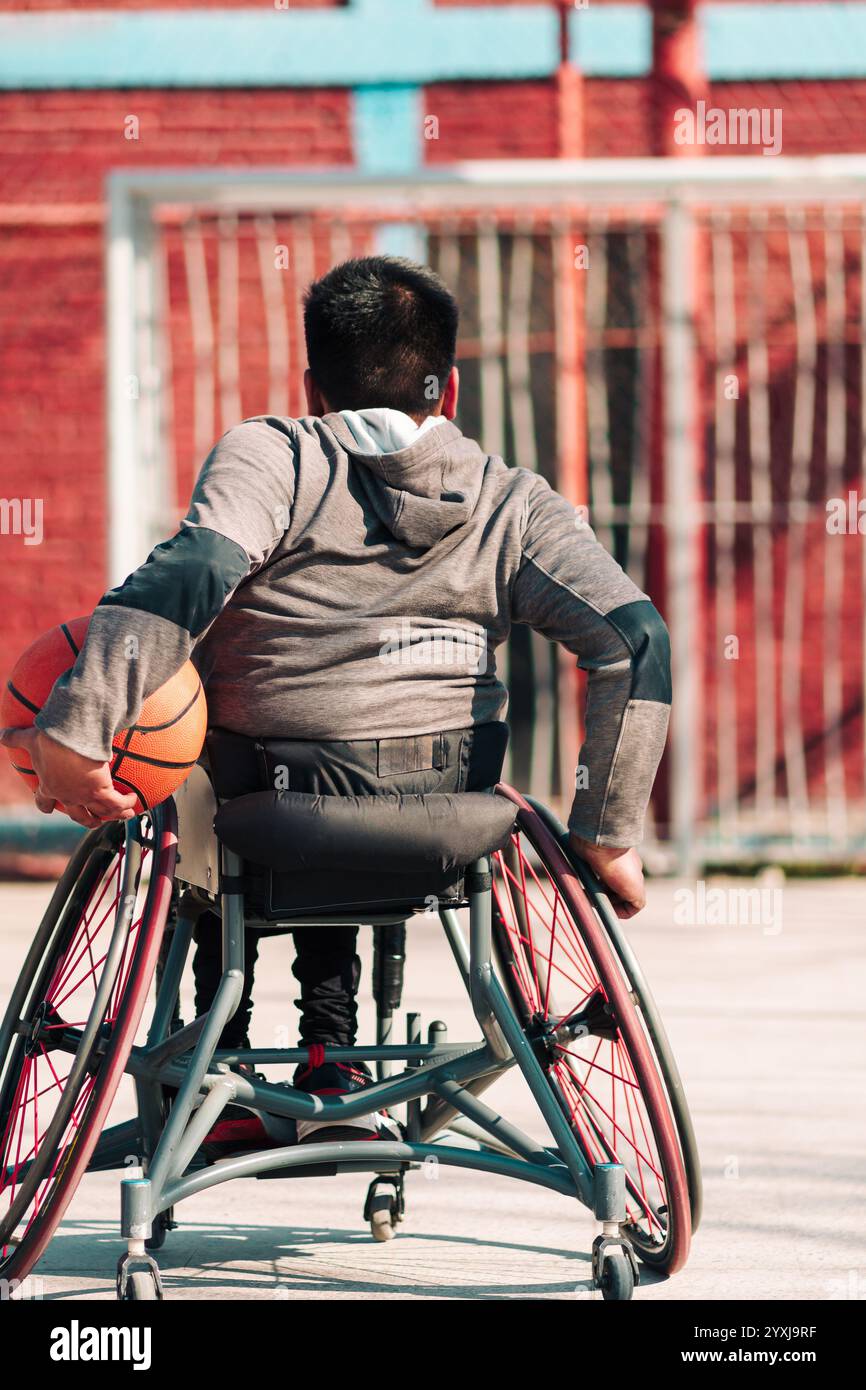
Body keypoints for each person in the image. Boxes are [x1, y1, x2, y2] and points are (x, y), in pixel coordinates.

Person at [0, 255, 671, 1149]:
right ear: (452, 388)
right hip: (446, 823)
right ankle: (334, 1047)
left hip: (260, 817)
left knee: (196, 765)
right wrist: (605, 831)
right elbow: (635, 642)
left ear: (311, 385)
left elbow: (196, 570)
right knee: (335, 773)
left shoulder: (272, 455)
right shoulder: (517, 504)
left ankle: (219, 1050)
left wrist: (78, 731)